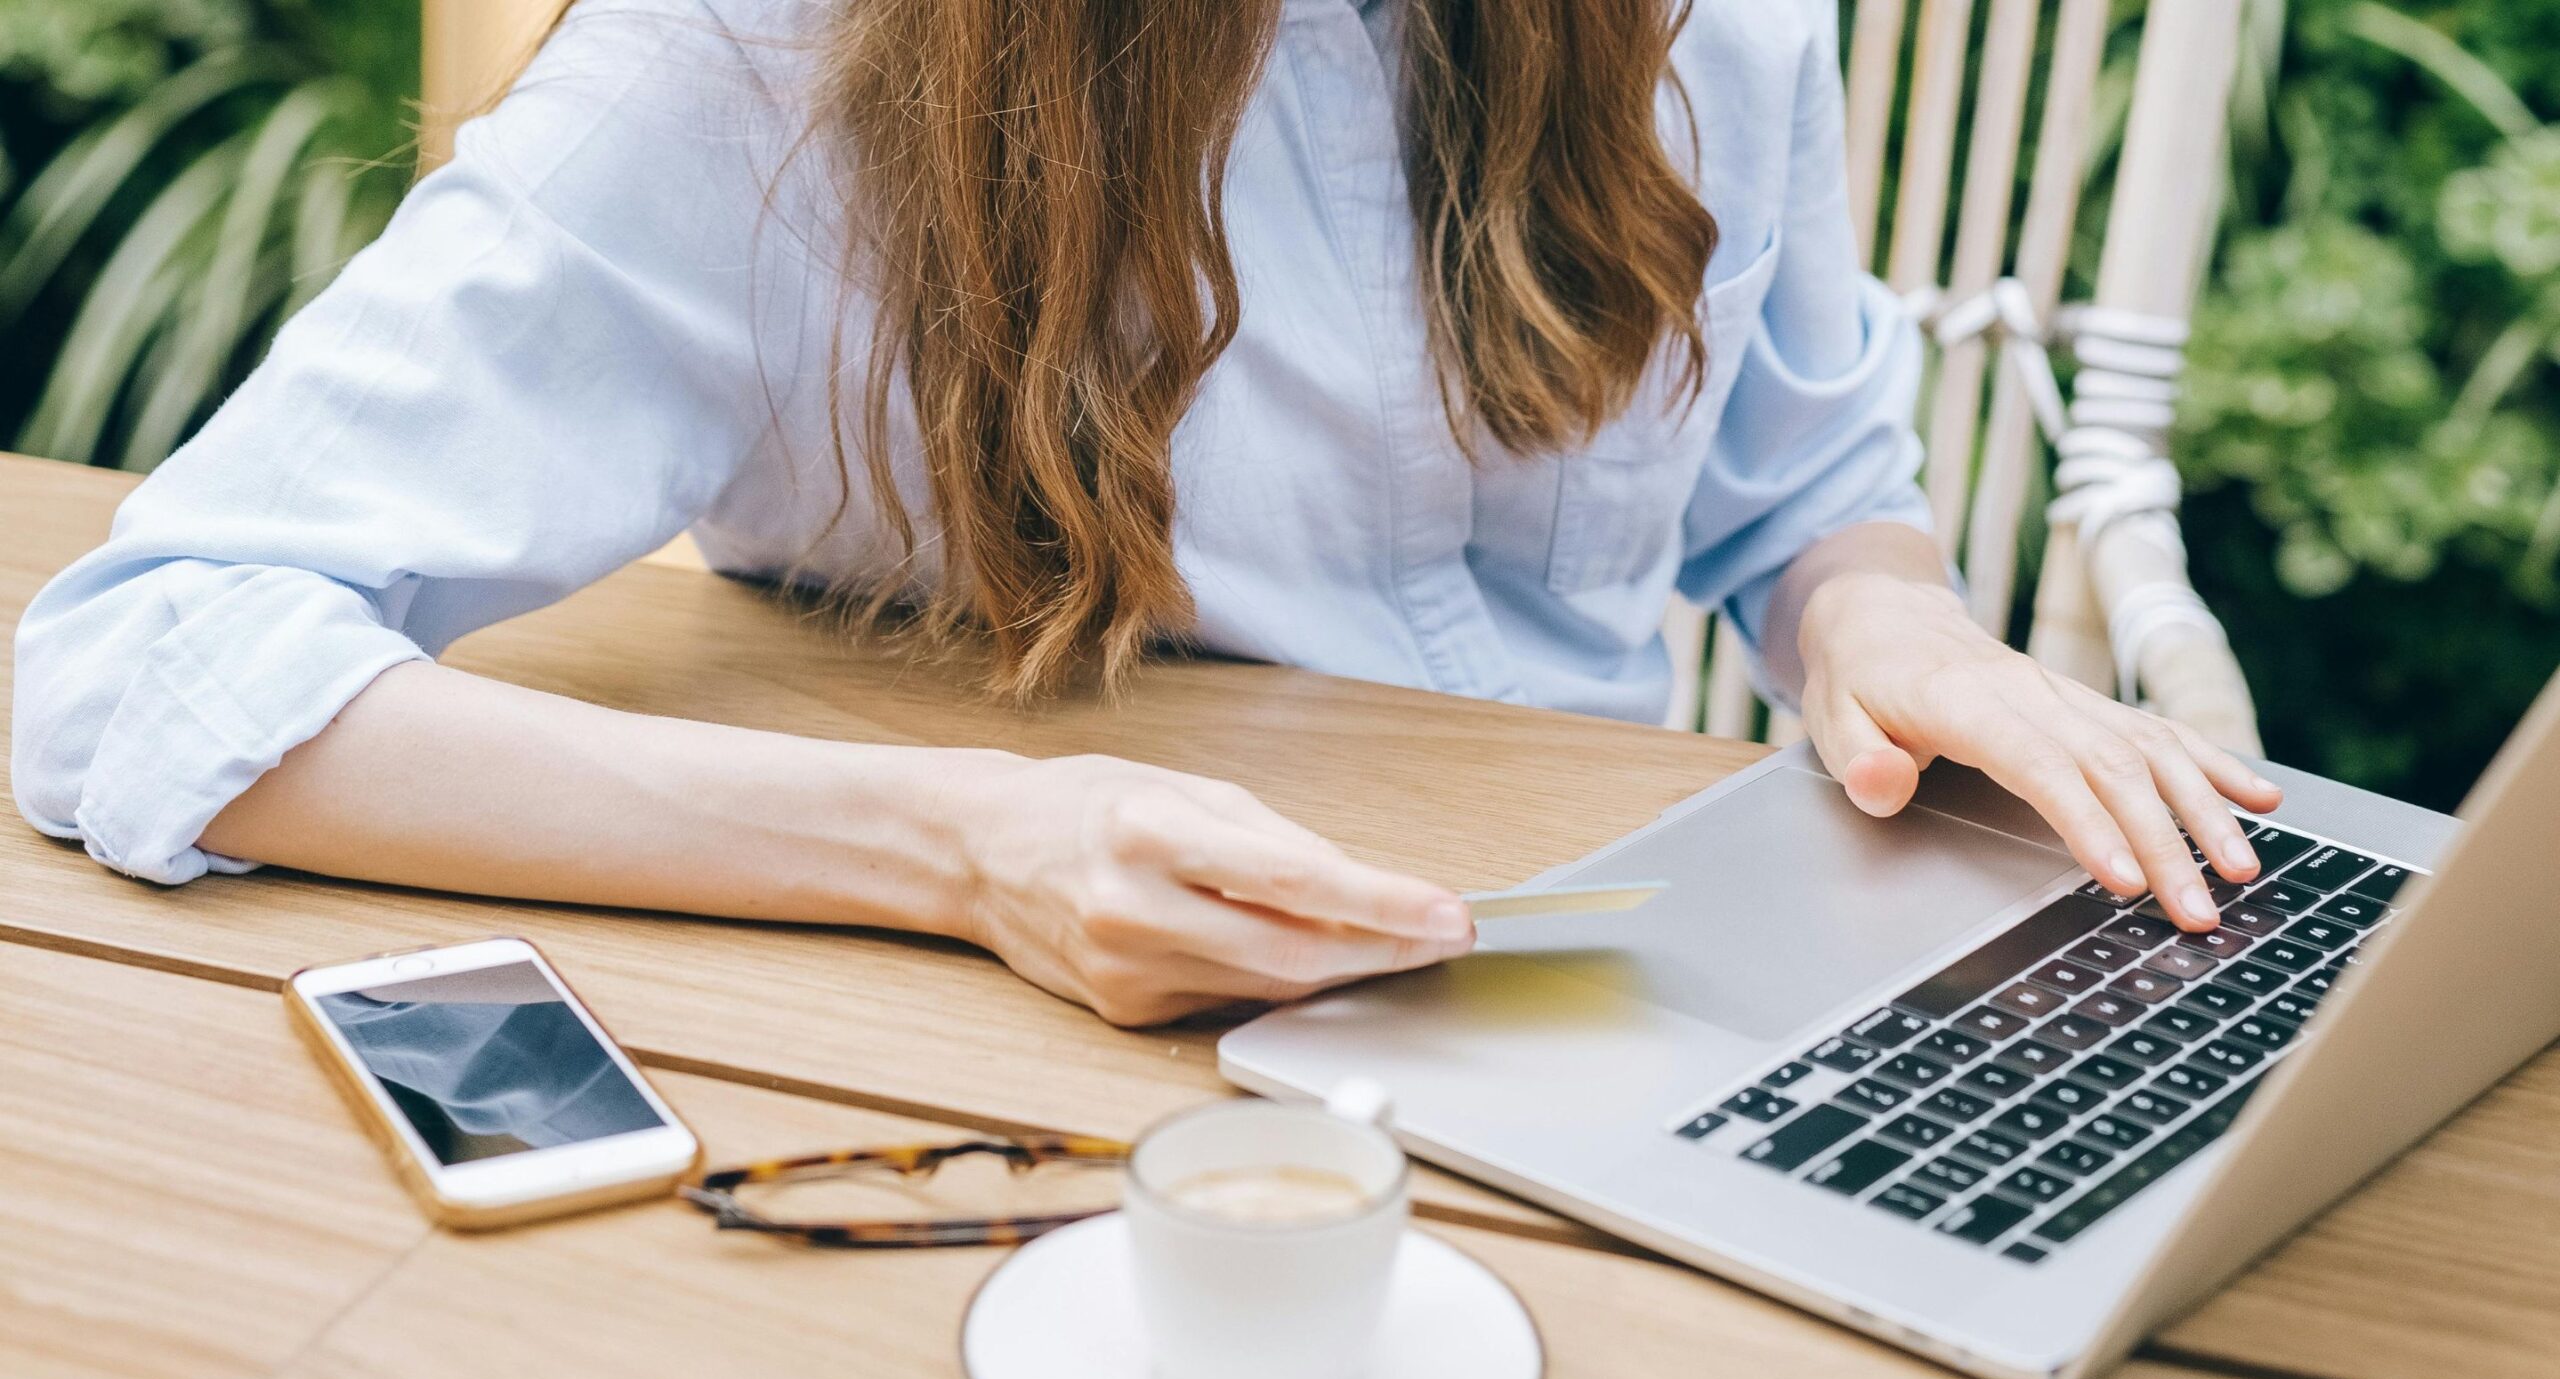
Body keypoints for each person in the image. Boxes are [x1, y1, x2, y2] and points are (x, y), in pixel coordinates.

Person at [10, 0, 2280, 1028]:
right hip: (1035, 1061)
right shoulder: (760, 72)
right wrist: (953, 850)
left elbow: (1806, 487)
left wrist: (1879, 619)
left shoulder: (1709, 31)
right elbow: (142, 655)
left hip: (1630, 986)